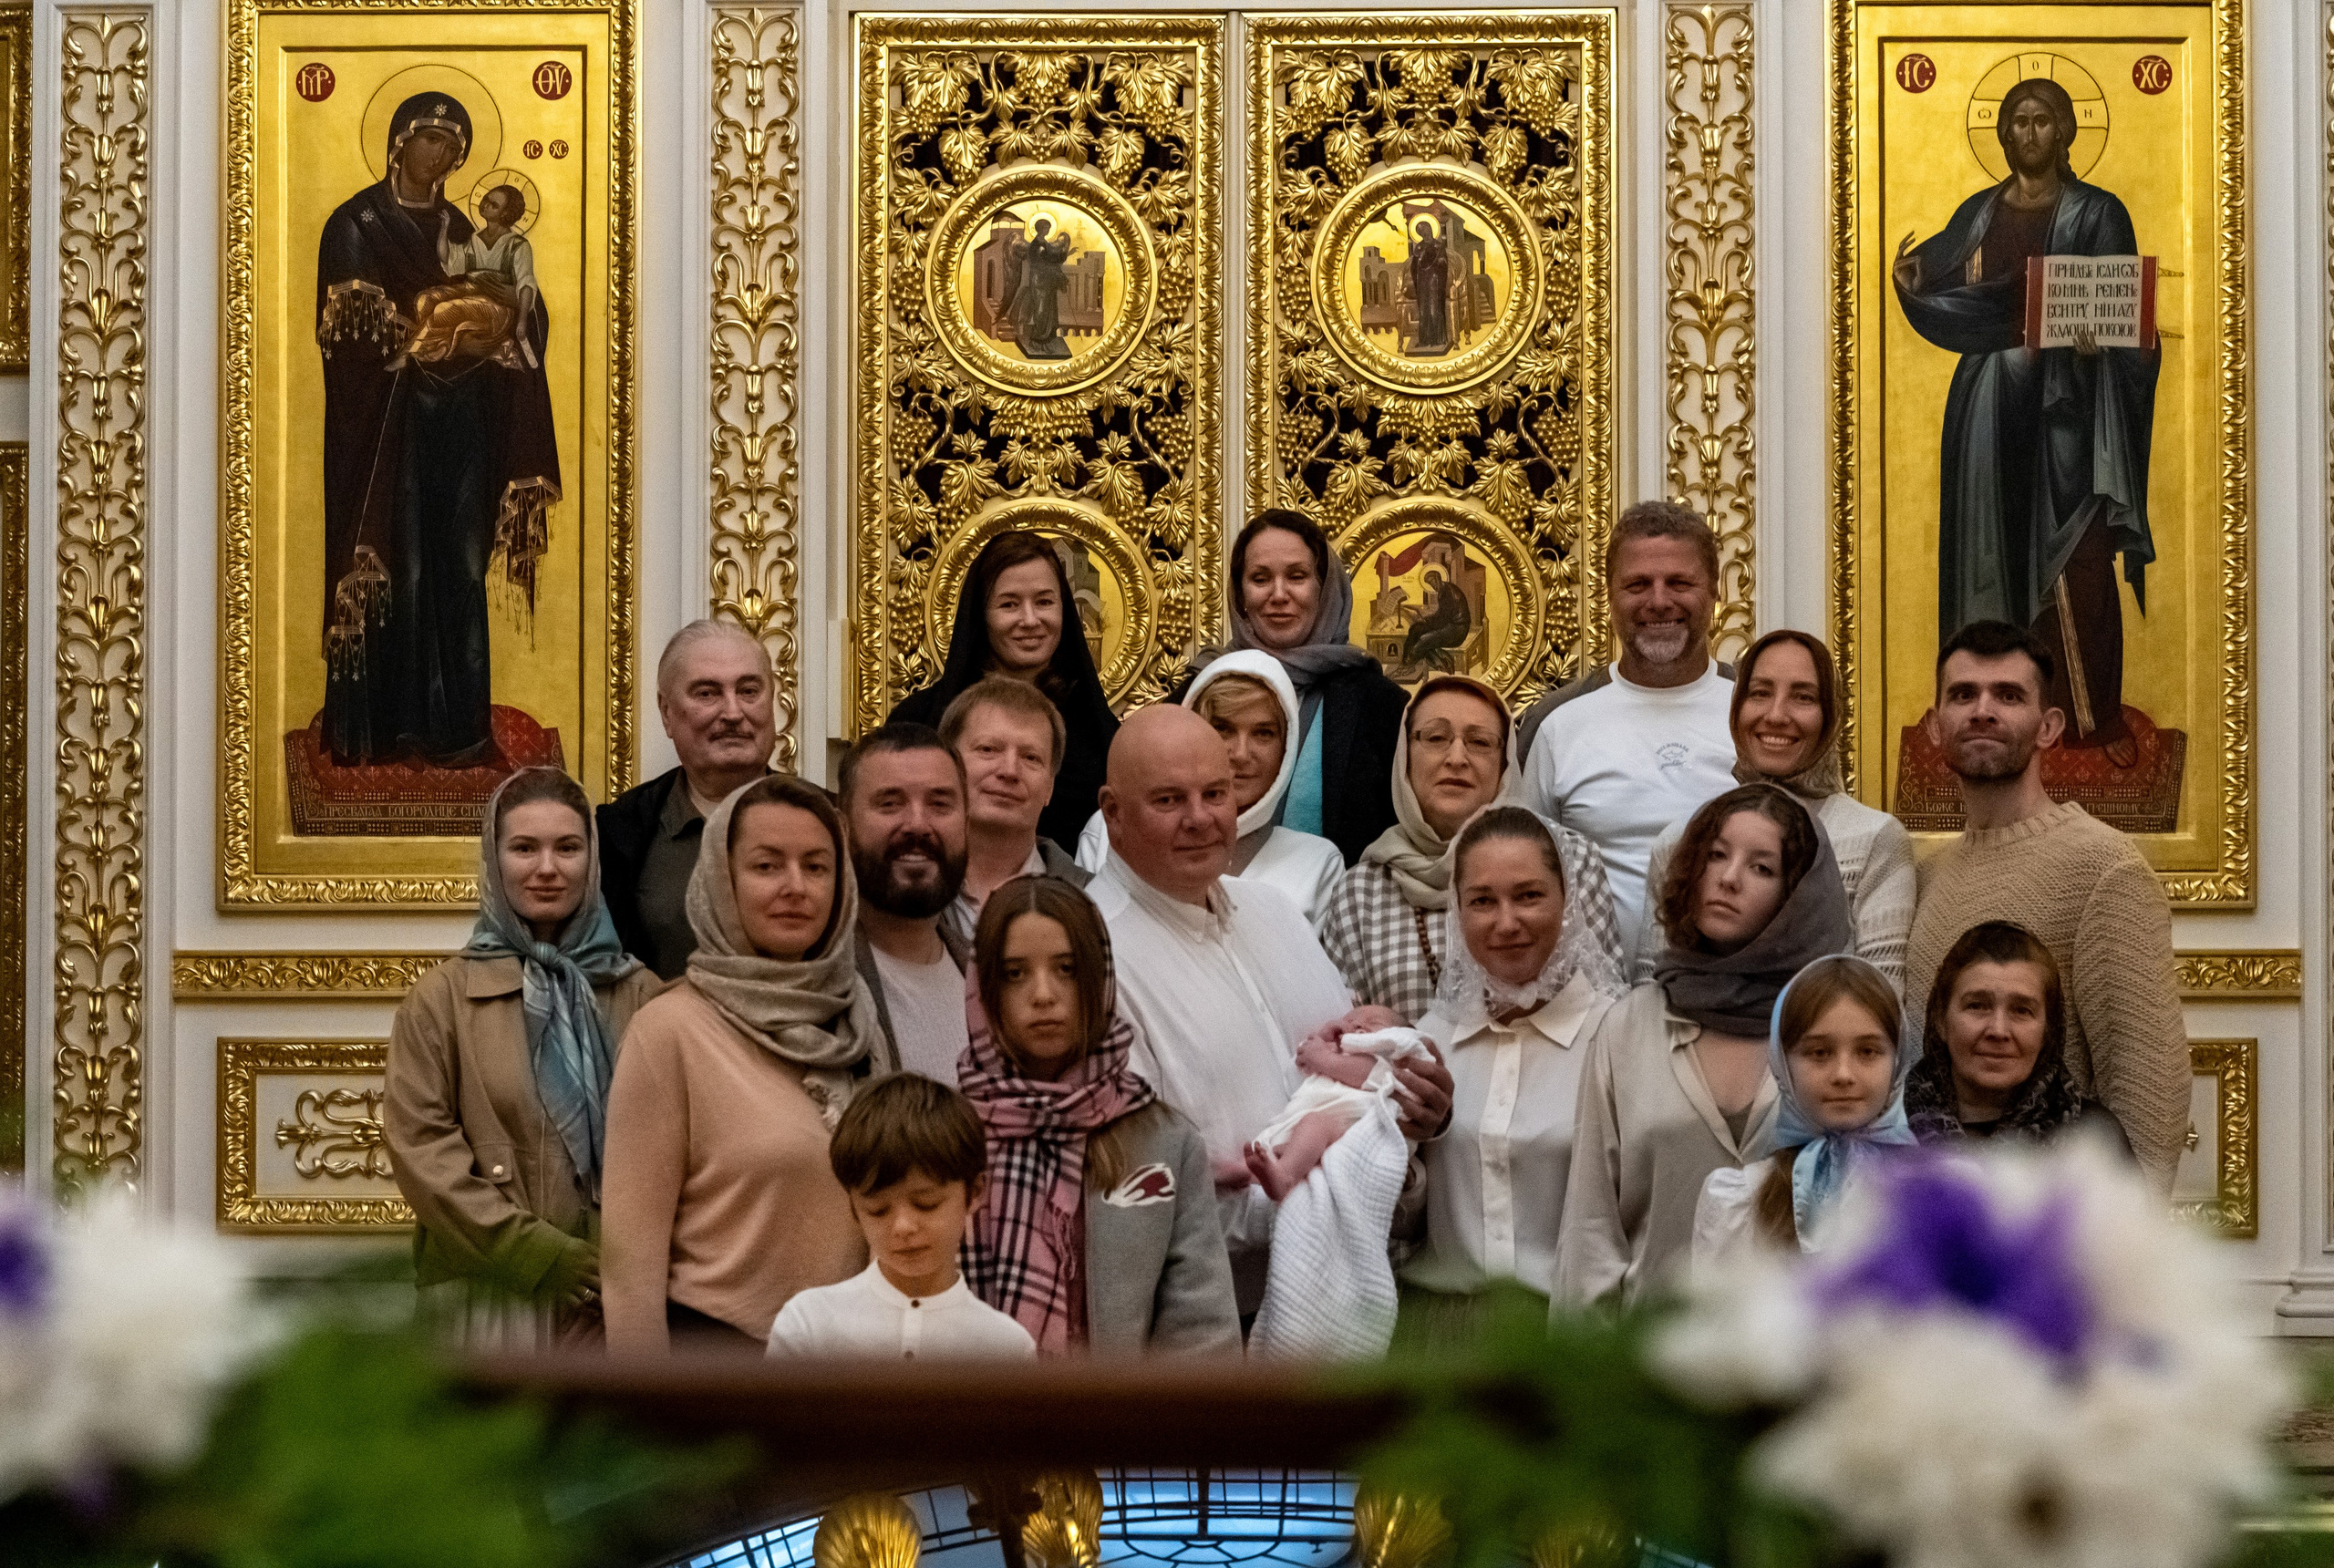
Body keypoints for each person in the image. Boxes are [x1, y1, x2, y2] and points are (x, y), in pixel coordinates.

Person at [1088, 704, 1453, 1311]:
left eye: (1216, 793)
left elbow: (1353, 1074)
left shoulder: (1274, 912)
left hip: (1346, 1282)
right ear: (1112, 813)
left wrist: (1415, 1110)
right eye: (1169, 801)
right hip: (1208, 1318)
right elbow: (1132, 1187)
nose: (1201, 818)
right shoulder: (1095, 953)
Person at [1892, 77, 2158, 764]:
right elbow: (1942, 274)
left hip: (2071, 413)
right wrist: (1913, 280)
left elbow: (2130, 313)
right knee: (1989, 552)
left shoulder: (2099, 213)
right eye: (2017, 122)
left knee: (2081, 559)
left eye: (2043, 121)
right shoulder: (1980, 211)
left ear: (2067, 132)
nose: (2028, 133)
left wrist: (2111, 337)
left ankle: (2092, 720)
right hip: (1989, 407)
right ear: (2003, 134)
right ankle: (1976, 717)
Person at [315, 93, 558, 769]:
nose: (444, 156)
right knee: (404, 566)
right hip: (388, 431)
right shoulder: (357, 224)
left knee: (459, 565)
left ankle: (459, 731)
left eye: (456, 148)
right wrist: (418, 335)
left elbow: (520, 306)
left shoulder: (463, 227)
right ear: (398, 143)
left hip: (460, 426)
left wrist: (509, 323)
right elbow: (345, 338)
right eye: (431, 141)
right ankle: (386, 728)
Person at [1900, 620, 2184, 1189]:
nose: (1983, 710)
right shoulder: (1926, 875)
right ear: (1935, 726)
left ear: (2049, 726)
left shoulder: (2104, 868)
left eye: (2008, 695)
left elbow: (2151, 1095)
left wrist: (2114, 1250)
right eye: (1963, 694)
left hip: (2051, 1233)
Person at [384, 768, 661, 1347]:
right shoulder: (441, 1001)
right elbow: (423, 1152)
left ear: (593, 859)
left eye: (568, 847)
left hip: (615, 1297)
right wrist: (536, 1254)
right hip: (490, 1293)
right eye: (524, 848)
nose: (547, 869)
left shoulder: (642, 995)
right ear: (493, 859)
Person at [601, 777, 876, 1354]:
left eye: (817, 866)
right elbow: (630, 1271)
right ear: (721, 881)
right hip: (718, 1376)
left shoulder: (857, 1023)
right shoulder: (670, 1031)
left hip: (849, 1375)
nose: (796, 887)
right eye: (767, 866)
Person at [1554, 784, 1852, 1305]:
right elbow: (1591, 1228)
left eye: (1762, 868)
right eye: (1716, 855)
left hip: (1792, 1359)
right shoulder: (1630, 1026)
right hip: (1649, 1356)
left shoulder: (1834, 1030)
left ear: (1797, 896)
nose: (1729, 878)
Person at [958, 875, 1241, 1354]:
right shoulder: (949, 1137)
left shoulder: (1163, 1138)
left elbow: (1201, 1334)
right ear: (984, 990)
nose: (1043, 994)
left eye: (1067, 969)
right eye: (1014, 973)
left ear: (1100, 977)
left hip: (1126, 1423)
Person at [1398, 808, 1628, 1326]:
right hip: (1442, 1335)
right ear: (1456, 912)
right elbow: (1403, 1227)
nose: (1506, 923)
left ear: (1567, 902)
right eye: (1482, 901)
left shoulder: (1617, 1039)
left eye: (1528, 896)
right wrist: (1403, 1162)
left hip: (1570, 1336)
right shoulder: (1430, 1041)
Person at [1324, 674, 1623, 1021]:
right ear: (1405, 755)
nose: (1456, 758)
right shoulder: (1361, 891)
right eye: (1436, 738)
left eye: (1479, 742)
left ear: (1505, 762)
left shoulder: (1568, 860)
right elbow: (1345, 1029)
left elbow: (1610, 1010)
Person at [1633, 630, 1915, 990]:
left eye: (1803, 697)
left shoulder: (1874, 839)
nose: (1776, 715)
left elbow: (1882, 1006)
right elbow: (1648, 1000)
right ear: (1737, 707)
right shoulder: (1681, 841)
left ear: (1830, 715)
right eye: (1760, 693)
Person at [1521, 501, 1738, 945]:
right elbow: (1524, 871)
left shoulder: (1757, 714)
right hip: (1591, 1000)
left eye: (1680, 583)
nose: (1659, 601)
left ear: (1716, 591)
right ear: (1609, 595)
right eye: (1638, 584)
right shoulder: (1557, 722)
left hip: (1733, 994)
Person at [767, 1074, 1037, 1360]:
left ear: (974, 1192)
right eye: (878, 1210)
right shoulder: (810, 1325)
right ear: (854, 1209)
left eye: (927, 1204)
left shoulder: (1006, 1348)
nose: (903, 1227)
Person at [1199, 511, 1408, 865]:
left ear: (1325, 588)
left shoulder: (1379, 706)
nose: (1279, 595)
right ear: (1240, 594)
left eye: (1297, 576)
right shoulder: (1200, 690)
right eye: (1260, 578)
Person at [1079, 650, 1345, 926]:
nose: (1241, 754)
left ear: (1287, 747)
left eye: (1263, 733)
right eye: (1223, 728)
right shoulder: (1111, 828)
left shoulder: (1315, 862)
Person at [892, 531, 1119, 853]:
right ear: (981, 616)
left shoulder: (1097, 730)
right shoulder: (920, 721)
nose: (1030, 620)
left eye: (1044, 602)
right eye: (1009, 604)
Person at [1693, 955, 1913, 1264]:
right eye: (1819, 1052)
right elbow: (1715, 1309)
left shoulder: (1938, 1196)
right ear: (1783, 1063)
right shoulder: (1742, 1200)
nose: (1843, 1074)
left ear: (1897, 1060)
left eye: (1868, 1051)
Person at [599, 621, 778, 977]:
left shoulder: (830, 820)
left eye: (748, 691)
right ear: (666, 713)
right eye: (707, 694)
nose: (732, 713)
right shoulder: (618, 833)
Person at [1904, 921, 2132, 1158]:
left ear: (2047, 1030)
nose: (1999, 1030)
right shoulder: (1885, 1133)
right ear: (1941, 1020)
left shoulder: (2095, 1140)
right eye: (1977, 1006)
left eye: (2022, 1010)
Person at [842, 725, 972, 1083]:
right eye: (890, 804)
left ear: (966, 823)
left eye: (939, 804)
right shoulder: (812, 983)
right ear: (844, 827)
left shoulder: (994, 982)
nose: (917, 825)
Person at [939, 676, 1090, 952]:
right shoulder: (898, 895)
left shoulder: (1095, 905)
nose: (1009, 770)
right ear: (947, 765)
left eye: (1031, 757)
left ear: (1050, 787)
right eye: (988, 749)